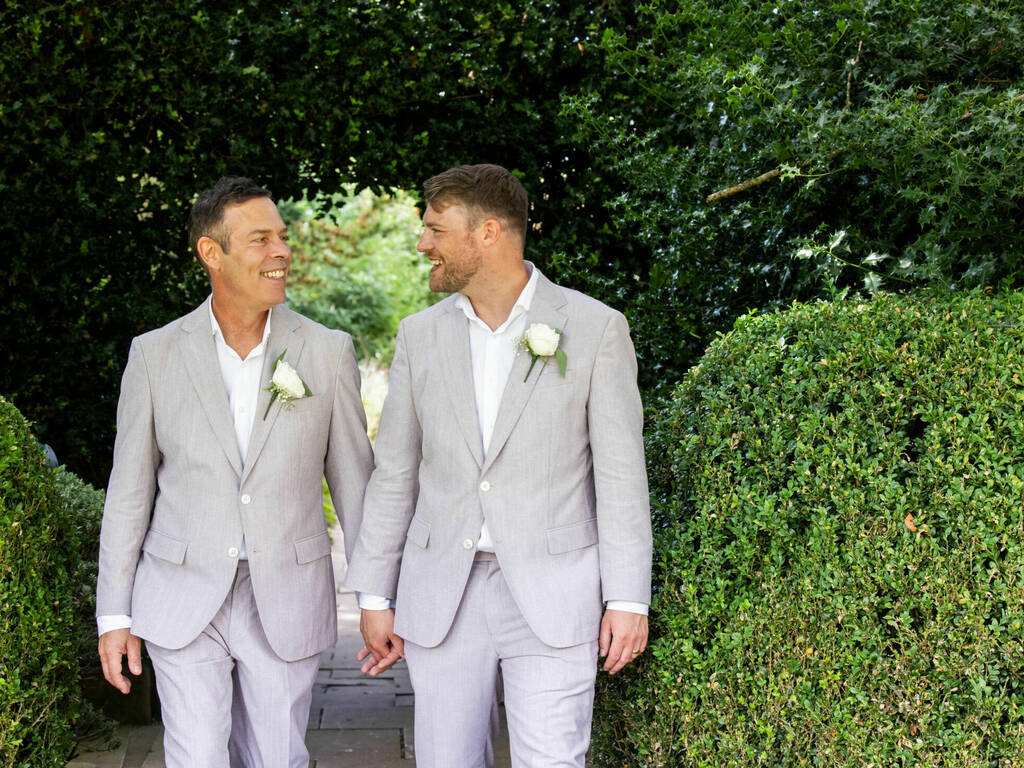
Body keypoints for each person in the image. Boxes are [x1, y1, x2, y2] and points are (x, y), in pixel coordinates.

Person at [345, 163, 653, 767]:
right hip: (442, 593)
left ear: (487, 233)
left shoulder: (595, 330)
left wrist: (628, 598)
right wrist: (373, 594)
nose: (422, 243)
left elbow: (621, 476)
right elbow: (396, 474)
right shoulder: (419, 336)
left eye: (435, 228)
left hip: (553, 591)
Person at [96, 176, 374, 767]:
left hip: (286, 593)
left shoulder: (327, 352)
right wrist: (114, 614)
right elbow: (129, 492)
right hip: (180, 592)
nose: (280, 252)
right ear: (211, 253)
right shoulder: (154, 355)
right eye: (259, 239)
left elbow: (356, 487)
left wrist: (378, 596)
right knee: (195, 757)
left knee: (277, 757)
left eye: (282, 237)